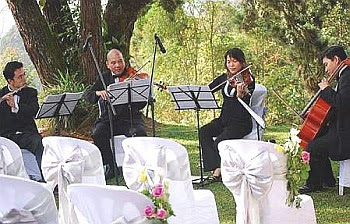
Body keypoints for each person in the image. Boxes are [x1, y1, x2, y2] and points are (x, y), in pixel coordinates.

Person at [84, 49, 148, 178]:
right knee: (98, 134)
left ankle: (140, 167)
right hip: (109, 119)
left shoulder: (134, 77)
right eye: (113, 63)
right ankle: (111, 167)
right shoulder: (103, 78)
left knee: (139, 133)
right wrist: (98, 93)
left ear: (124, 61)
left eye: (120, 61)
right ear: (108, 64)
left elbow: (142, 104)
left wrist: (134, 93)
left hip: (130, 118)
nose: (118, 65)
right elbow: (87, 95)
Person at [299, 45, 350, 193]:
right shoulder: (344, 75)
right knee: (318, 135)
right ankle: (327, 180)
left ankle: (314, 183)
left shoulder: (347, 75)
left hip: (345, 132)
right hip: (341, 126)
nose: (326, 70)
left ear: (336, 59)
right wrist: (313, 114)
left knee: (312, 148)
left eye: (327, 64)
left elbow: (343, 103)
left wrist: (326, 89)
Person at [200, 47, 255, 181]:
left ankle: (218, 172)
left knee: (219, 141)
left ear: (241, 63)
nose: (231, 64)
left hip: (240, 123)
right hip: (224, 120)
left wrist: (241, 95)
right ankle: (215, 166)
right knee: (204, 131)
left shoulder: (249, 80)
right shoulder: (225, 78)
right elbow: (207, 90)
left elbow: (246, 101)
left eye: (234, 61)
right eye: (228, 61)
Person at [0, 61, 44, 181]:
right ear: (10, 81)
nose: (24, 79)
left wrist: (16, 106)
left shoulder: (31, 92)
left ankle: (43, 178)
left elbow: (34, 110)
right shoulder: (1, 95)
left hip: (27, 134)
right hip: (7, 136)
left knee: (38, 142)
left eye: (24, 75)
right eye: (20, 77)